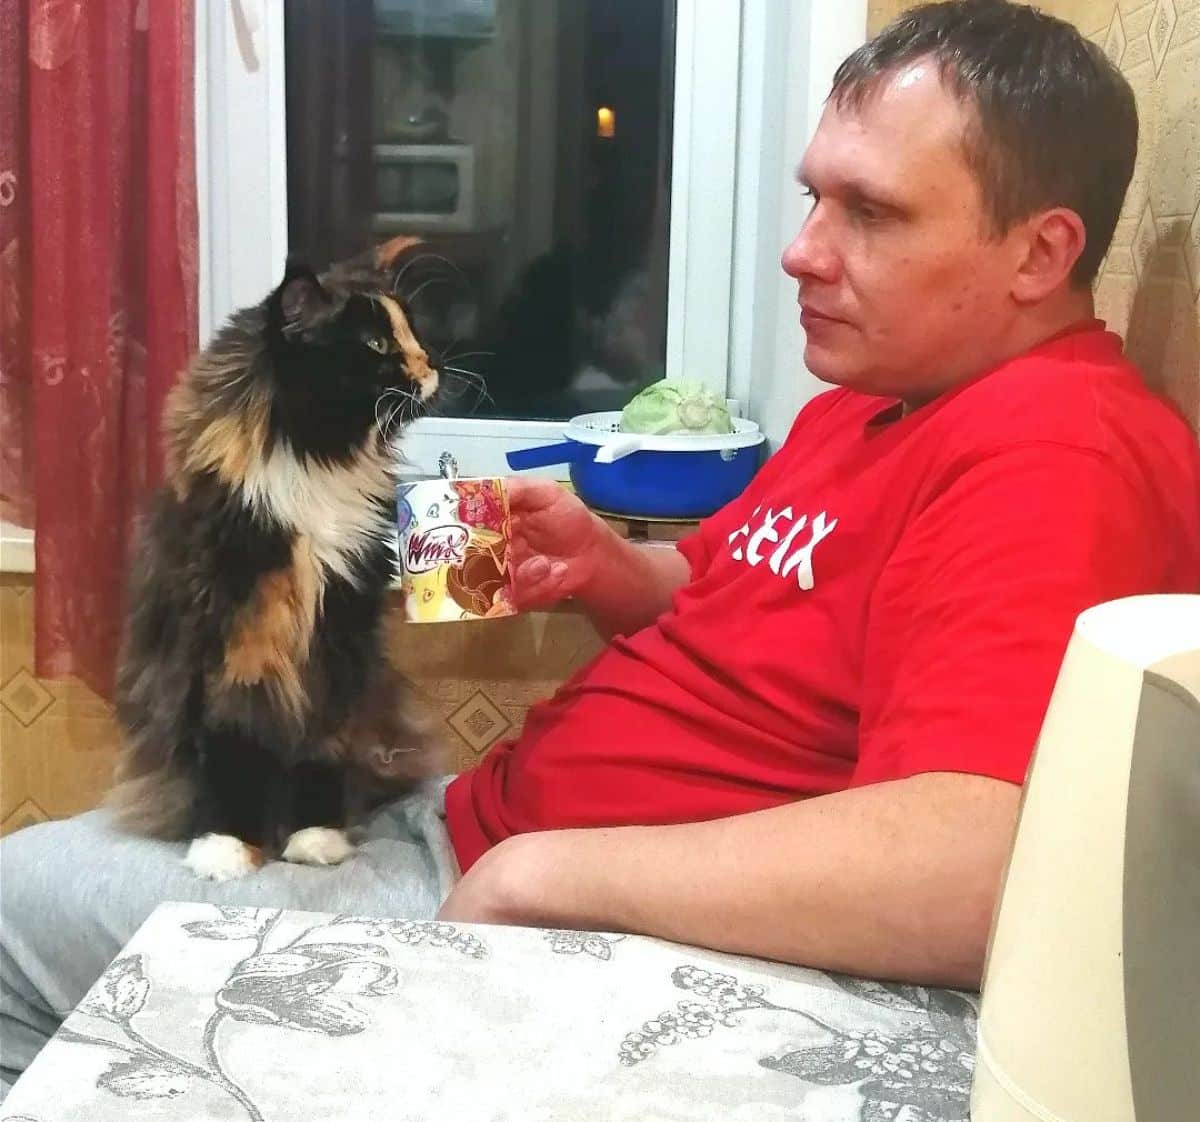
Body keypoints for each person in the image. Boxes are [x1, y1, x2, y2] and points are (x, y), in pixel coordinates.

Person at [3, 0, 1199, 1094]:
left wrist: (548, 875)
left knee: (11, 918)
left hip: (504, 894)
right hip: (462, 822)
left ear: (1041, 254)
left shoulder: (1058, 450)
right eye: (813, 200)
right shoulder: (874, 397)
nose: (803, 252)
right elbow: (737, 596)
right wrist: (612, 571)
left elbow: (977, 863)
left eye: (871, 213)